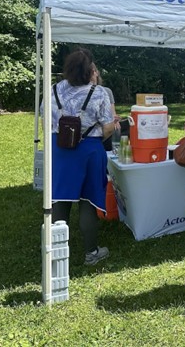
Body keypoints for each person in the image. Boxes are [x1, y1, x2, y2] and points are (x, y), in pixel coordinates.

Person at [45, 49, 114, 265]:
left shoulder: (53, 90)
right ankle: (91, 252)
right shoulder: (100, 92)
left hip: (60, 150)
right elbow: (109, 128)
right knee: (88, 201)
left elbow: (46, 122)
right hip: (90, 150)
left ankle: (56, 253)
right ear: (91, 70)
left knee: (60, 200)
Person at [92, 65, 121, 151]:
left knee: (116, 128)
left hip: (105, 128)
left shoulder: (107, 91)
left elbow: (113, 114)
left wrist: (115, 120)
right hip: (92, 132)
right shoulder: (80, 93)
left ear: (97, 73)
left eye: (93, 71)